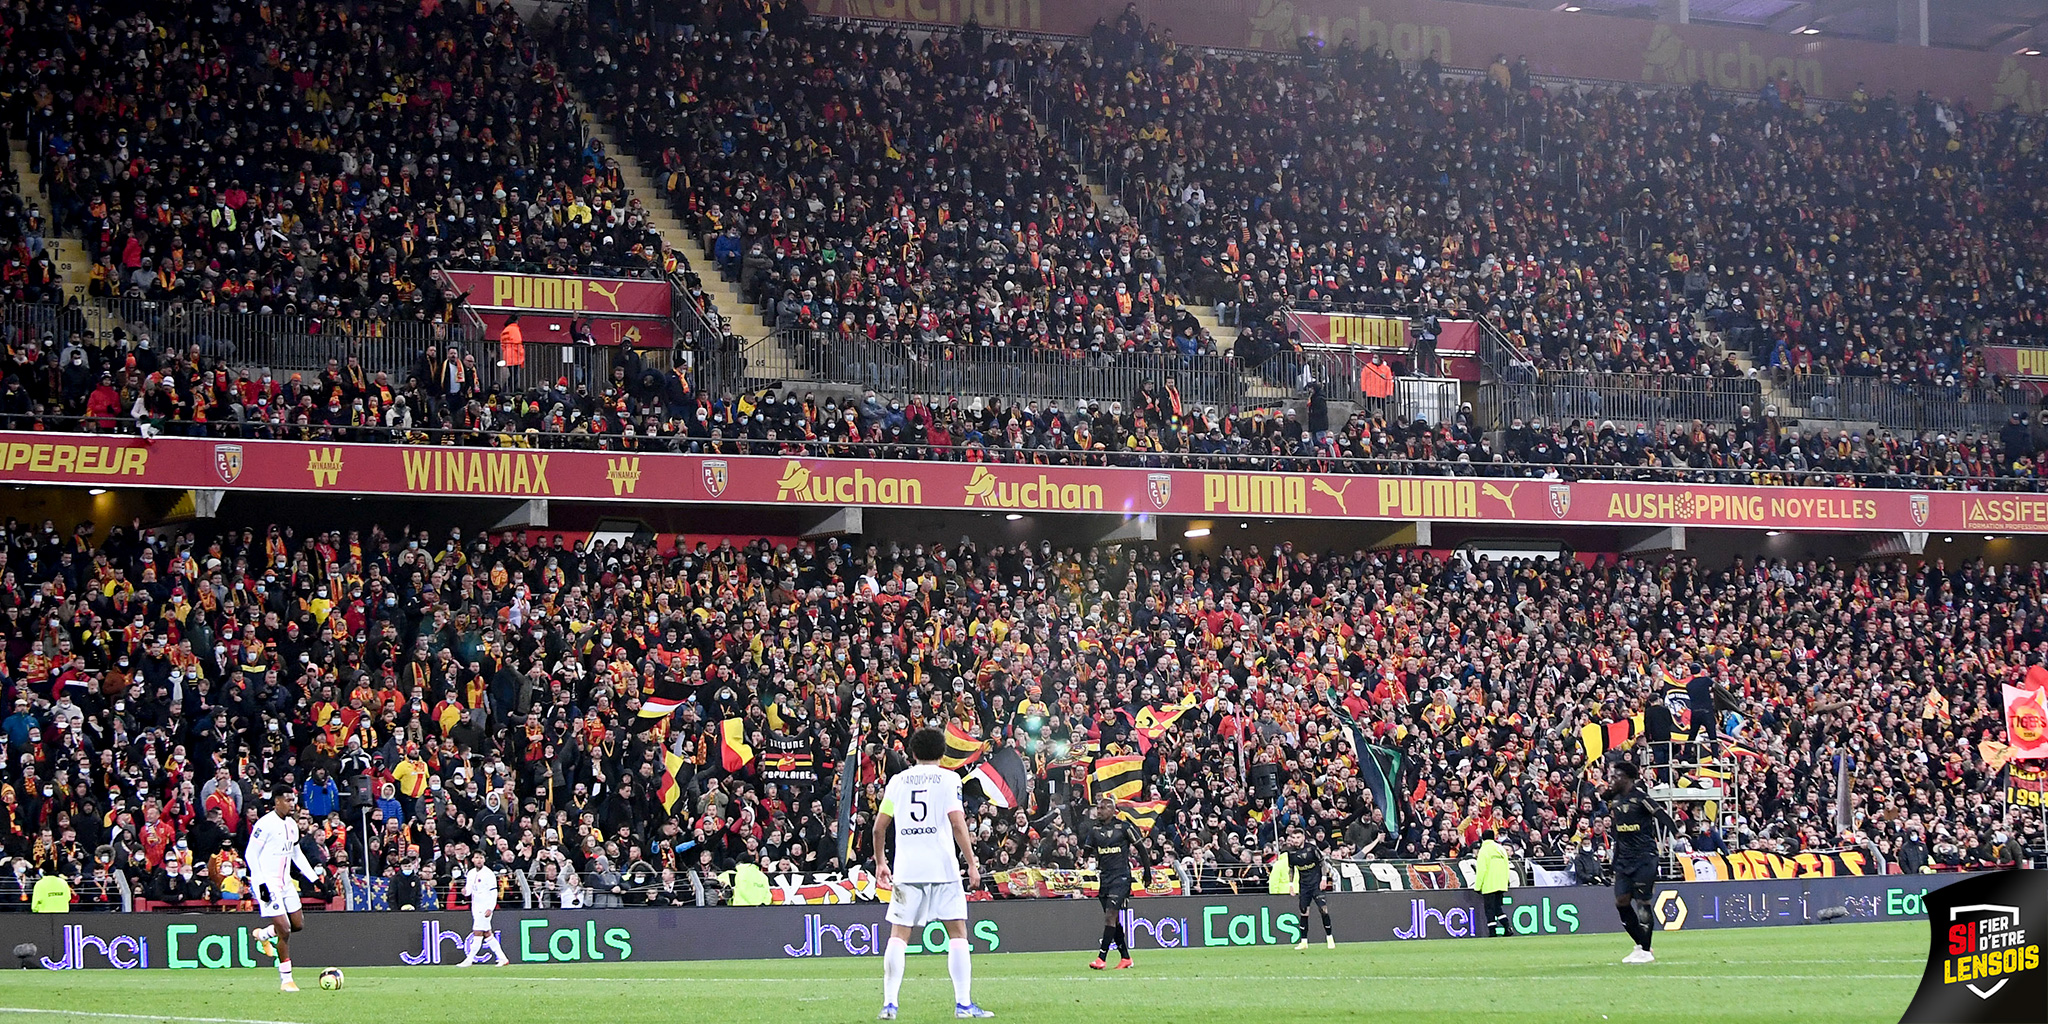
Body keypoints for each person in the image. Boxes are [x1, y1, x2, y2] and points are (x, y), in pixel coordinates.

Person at [872, 727, 992, 1020]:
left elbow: (878, 827)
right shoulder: (949, 779)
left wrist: (880, 863)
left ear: (913, 753)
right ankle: (963, 1005)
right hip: (943, 868)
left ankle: (890, 1004)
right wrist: (972, 862)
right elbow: (957, 822)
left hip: (907, 869)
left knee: (898, 936)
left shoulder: (897, 781)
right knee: (958, 934)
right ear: (943, 753)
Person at [247, 789, 322, 992]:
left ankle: (263, 934)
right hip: (267, 882)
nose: (292, 804)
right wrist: (261, 884)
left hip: (285, 882)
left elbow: (296, 855)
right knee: (285, 930)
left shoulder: (291, 824)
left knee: (297, 925)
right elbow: (250, 855)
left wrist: (316, 880)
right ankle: (286, 979)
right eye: (288, 800)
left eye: (293, 800)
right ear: (277, 801)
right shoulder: (265, 824)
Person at [1606, 760, 1674, 964]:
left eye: (1616, 776)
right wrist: (1614, 862)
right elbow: (1618, 835)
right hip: (1624, 860)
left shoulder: (1641, 798)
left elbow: (1661, 814)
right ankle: (1641, 944)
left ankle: (1644, 950)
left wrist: (1676, 831)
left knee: (1642, 902)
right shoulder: (1616, 802)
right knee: (1621, 902)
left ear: (1627, 778)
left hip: (1644, 857)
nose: (1612, 780)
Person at [1075, 794, 1148, 969]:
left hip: (1121, 877)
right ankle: (1125, 958)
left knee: (1110, 916)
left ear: (1112, 810)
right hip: (1105, 878)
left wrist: (1148, 872)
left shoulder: (1123, 827)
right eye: (1097, 808)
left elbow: (1141, 848)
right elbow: (1086, 852)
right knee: (1113, 921)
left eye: (1102, 808)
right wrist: (1081, 857)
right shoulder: (1094, 831)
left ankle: (1101, 958)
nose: (1098, 811)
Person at [1285, 827, 1334, 949]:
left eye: (1298, 837)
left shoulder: (1311, 849)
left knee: (1323, 909)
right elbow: (1291, 869)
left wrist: (1324, 879)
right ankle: (1304, 942)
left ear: (1303, 838)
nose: (1295, 840)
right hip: (1304, 885)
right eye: (1293, 838)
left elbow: (1322, 863)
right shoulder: (1290, 853)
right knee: (1303, 912)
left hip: (1316, 883)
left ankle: (1329, 938)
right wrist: (1291, 885)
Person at [461, 849, 510, 966]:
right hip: (475, 906)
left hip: (485, 907)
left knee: (477, 932)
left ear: (484, 860)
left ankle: (469, 959)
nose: (479, 860)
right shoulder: (471, 873)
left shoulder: (488, 874)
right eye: (477, 857)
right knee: (487, 933)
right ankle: (503, 958)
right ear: (473, 859)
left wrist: (490, 908)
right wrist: (465, 892)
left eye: (481, 858)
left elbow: (493, 893)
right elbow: (469, 890)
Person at [1475, 829, 1511, 936]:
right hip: (1501, 884)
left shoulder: (1484, 850)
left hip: (1489, 885)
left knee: (1489, 909)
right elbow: (1506, 867)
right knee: (1497, 908)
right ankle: (1507, 927)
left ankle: (1492, 931)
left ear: (1483, 838)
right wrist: (1505, 882)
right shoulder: (1500, 849)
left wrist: (1478, 886)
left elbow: (1481, 870)